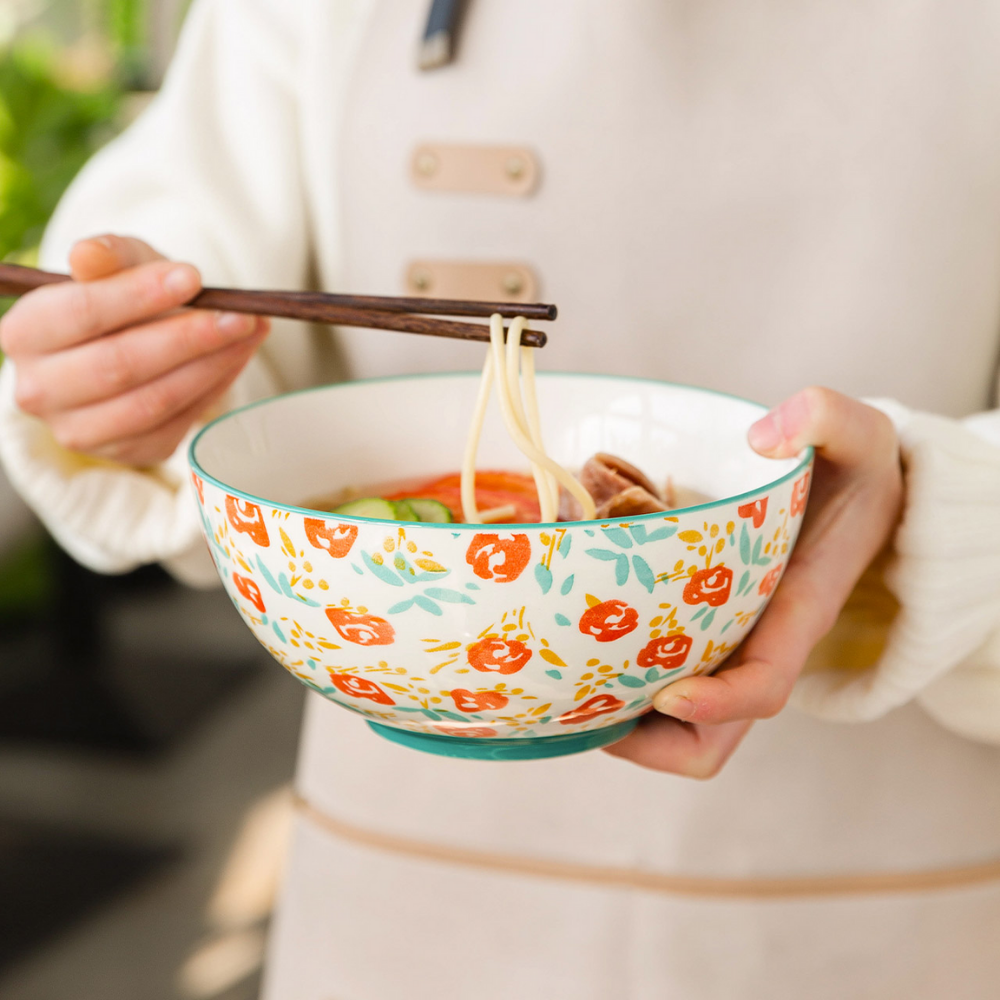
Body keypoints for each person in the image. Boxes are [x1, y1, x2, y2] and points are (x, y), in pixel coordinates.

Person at [2, 1, 1000, 996]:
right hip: (403, 894)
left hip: (891, 894)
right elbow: (193, 233)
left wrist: (937, 511)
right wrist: (132, 371)